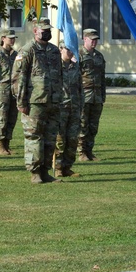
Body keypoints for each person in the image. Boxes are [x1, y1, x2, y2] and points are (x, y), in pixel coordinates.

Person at [13, 18, 62, 184]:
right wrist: (21, 102)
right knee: (34, 137)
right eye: (44, 30)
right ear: (35, 31)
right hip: (34, 102)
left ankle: (45, 171)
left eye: (49, 29)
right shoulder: (27, 51)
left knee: (50, 137)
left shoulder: (54, 51)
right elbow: (19, 78)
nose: (47, 32)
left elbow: (59, 76)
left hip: (53, 101)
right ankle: (35, 172)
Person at [77, 28, 106, 162]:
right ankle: (81, 152)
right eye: (92, 39)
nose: (94, 42)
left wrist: (103, 95)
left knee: (93, 126)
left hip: (97, 96)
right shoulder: (78, 55)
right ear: (85, 39)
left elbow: (102, 77)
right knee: (83, 125)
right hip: (84, 96)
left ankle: (89, 151)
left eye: (96, 40)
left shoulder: (99, 56)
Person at [54, 42, 81, 178]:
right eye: (67, 49)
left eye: (72, 49)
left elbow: (79, 87)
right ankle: (58, 167)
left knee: (72, 140)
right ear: (61, 49)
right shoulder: (55, 66)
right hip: (60, 108)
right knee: (60, 140)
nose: (70, 52)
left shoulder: (75, 67)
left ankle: (67, 167)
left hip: (74, 108)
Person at [0, 30, 18, 156]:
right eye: (10, 38)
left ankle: (7, 144)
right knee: (2, 117)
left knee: (12, 117)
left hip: (14, 89)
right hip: (2, 88)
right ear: (3, 38)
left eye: (13, 38)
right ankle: (0, 145)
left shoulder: (15, 54)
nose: (12, 40)